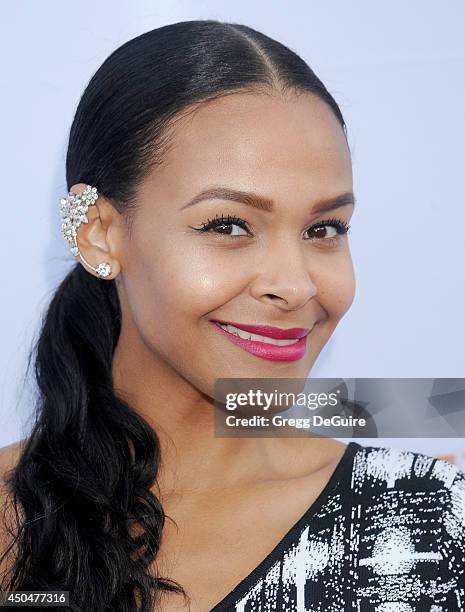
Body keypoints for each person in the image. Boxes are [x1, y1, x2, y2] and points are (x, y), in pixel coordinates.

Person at [0, 19, 463, 612]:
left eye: (325, 229)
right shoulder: (15, 512)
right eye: (228, 225)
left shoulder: (423, 523)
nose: (295, 286)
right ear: (100, 236)